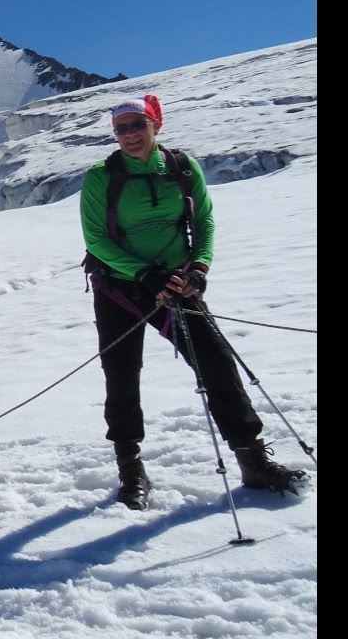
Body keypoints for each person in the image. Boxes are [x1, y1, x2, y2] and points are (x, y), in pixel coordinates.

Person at [79, 95, 307, 510]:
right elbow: (97, 240)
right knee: (122, 375)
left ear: (155, 125)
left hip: (176, 283)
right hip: (119, 288)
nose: (129, 134)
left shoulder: (183, 168)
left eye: (137, 125)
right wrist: (146, 273)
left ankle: (252, 459)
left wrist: (199, 267)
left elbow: (203, 221)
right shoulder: (101, 177)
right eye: (121, 128)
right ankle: (130, 468)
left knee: (217, 362)